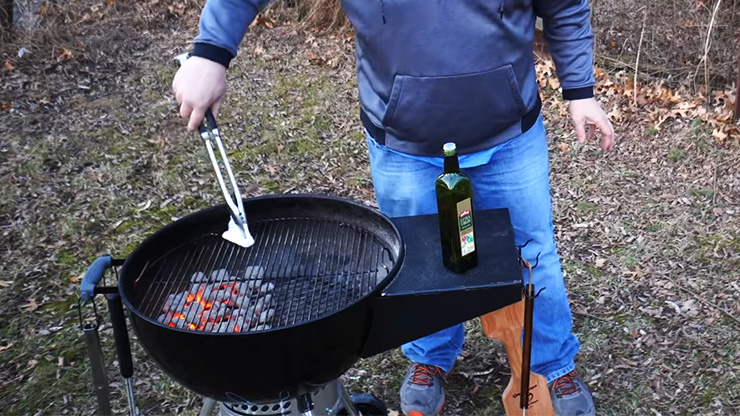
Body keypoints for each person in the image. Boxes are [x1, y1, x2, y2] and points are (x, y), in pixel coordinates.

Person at [173, 1, 616, 415]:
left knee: (532, 252)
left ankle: (552, 365)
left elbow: (565, 6)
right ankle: (430, 357)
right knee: (420, 259)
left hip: (509, 134)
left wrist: (580, 91)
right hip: (404, 142)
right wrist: (211, 52)